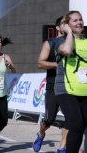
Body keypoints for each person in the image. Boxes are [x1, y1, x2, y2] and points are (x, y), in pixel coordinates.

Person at [32, 16, 68, 153]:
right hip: (53, 85)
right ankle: (41, 134)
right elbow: (40, 63)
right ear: (58, 27)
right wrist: (59, 65)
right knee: (49, 119)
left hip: (71, 87)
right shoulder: (50, 43)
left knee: (70, 118)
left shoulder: (74, 44)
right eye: (65, 24)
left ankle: (62, 147)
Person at [54, 10, 87, 153]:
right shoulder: (61, 41)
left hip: (84, 89)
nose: (79, 22)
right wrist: (68, 33)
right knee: (76, 124)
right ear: (67, 24)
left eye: (80, 19)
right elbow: (67, 51)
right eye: (74, 20)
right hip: (66, 90)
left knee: (82, 126)